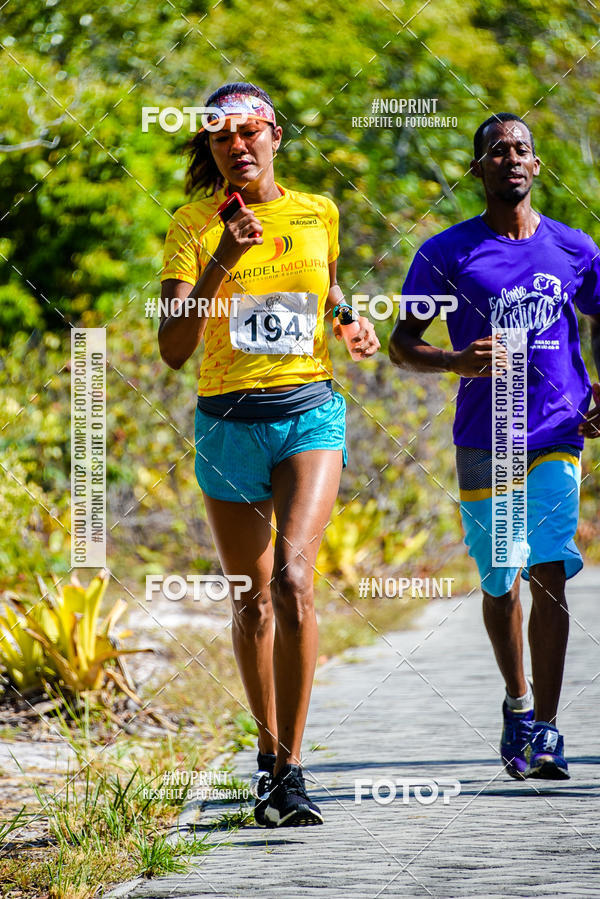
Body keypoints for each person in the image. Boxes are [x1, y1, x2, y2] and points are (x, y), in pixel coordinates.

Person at [158, 82, 379, 826]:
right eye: (221, 136)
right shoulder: (192, 224)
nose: (237, 145)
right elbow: (173, 347)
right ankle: (265, 751)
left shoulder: (318, 211)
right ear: (211, 147)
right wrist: (222, 257)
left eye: (250, 130)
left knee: (293, 580)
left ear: (276, 135)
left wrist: (348, 320)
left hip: (308, 412)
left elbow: (326, 284)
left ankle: (291, 768)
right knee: (250, 600)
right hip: (227, 424)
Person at [389, 113, 600, 780]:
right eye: (497, 151)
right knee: (501, 577)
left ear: (536, 165)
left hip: (557, 429)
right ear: (477, 169)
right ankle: (518, 701)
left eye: (521, 149)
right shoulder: (447, 252)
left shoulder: (574, 247)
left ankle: (548, 731)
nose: (511, 158)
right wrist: (453, 361)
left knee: (550, 568)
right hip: (487, 434)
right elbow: (402, 344)